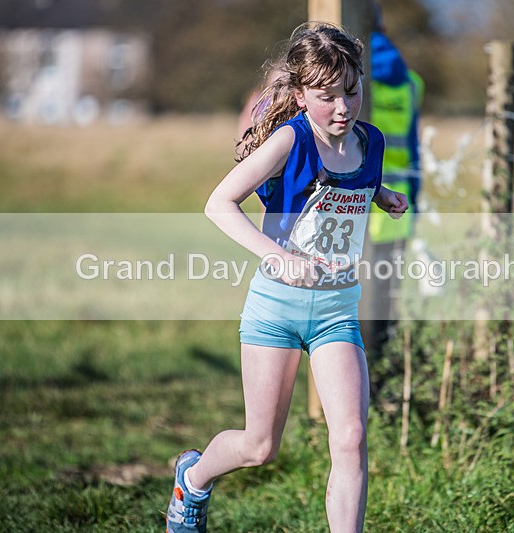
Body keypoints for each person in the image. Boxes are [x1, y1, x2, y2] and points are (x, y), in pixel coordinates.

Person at [166, 23, 408, 533]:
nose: (343, 107)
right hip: (276, 310)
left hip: (337, 313)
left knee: (350, 439)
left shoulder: (371, 142)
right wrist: (276, 255)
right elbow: (219, 204)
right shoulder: (289, 140)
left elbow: (351, 179)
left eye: (351, 91)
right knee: (260, 447)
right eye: (326, 97)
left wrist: (379, 193)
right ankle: (193, 478)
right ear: (300, 95)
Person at [361, 14, 424, 364]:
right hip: (397, 202)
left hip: (352, 200)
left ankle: (361, 375)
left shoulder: (347, 77)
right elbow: (414, 149)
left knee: (348, 296)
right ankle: (382, 369)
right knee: (387, 297)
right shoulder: (411, 82)